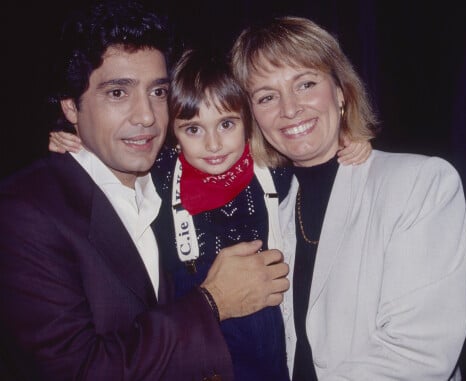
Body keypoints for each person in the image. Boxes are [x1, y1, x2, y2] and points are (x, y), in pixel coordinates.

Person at [0, 1, 290, 380]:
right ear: (71, 107)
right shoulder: (25, 211)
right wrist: (213, 302)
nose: (147, 116)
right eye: (118, 93)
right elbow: (77, 370)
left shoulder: (163, 178)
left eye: (157, 92)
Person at [47, 47, 371, 380]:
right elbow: (115, 153)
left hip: (269, 338)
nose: (213, 144)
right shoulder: (160, 171)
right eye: (193, 129)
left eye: (226, 124)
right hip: (195, 336)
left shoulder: (271, 167)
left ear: (248, 123)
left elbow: (315, 157)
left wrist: (351, 142)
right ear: (174, 133)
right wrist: (76, 144)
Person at [230, 16, 466, 380]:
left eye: (306, 84)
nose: (289, 109)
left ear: (341, 92)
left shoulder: (418, 184)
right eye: (266, 97)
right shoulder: (268, 211)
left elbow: (418, 353)